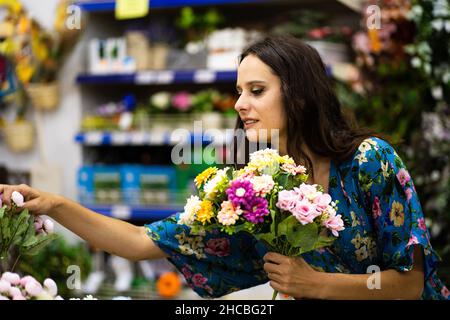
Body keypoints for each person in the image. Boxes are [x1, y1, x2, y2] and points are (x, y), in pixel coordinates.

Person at [1, 35, 449, 300]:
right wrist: (56, 205)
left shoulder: (370, 162)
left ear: (298, 95)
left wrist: (317, 284)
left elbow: (411, 284)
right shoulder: (254, 191)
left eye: (256, 90)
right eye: (239, 91)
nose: (240, 105)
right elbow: (141, 241)